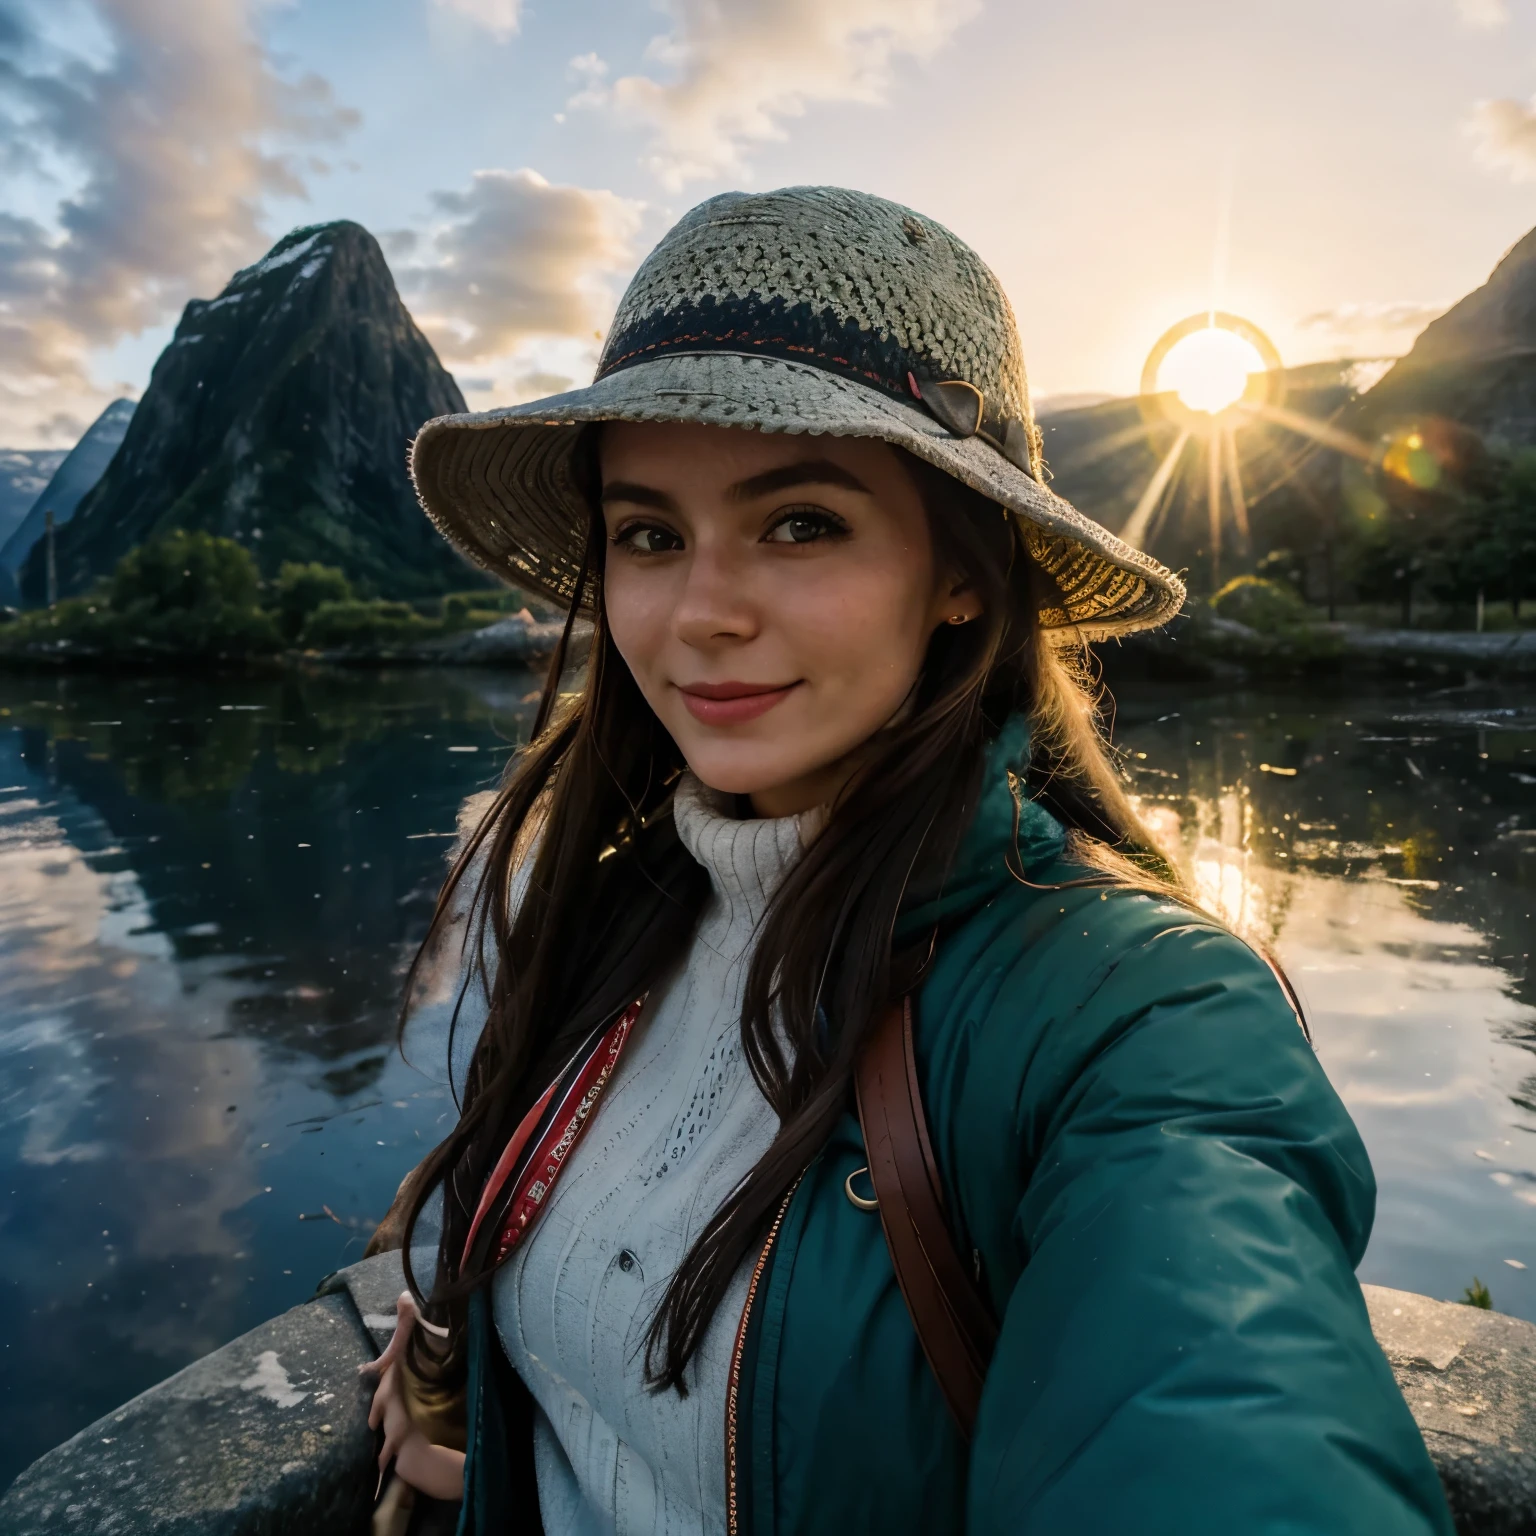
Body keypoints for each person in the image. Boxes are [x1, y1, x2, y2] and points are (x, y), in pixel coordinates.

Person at [361, 185, 1454, 1535]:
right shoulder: (611, 916)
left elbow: (1225, 1428)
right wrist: (503, 1416)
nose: (701, 612)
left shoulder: (1143, 1019)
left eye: (802, 522)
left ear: (961, 574)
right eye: (649, 534)